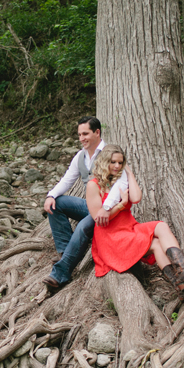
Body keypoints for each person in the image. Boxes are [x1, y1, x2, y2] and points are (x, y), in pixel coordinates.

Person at [86, 144, 184, 305]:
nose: (117, 166)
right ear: (105, 162)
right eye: (113, 162)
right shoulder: (94, 185)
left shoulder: (121, 180)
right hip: (111, 237)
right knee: (156, 243)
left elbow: (136, 198)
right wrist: (120, 205)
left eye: (120, 162)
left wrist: (130, 173)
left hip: (129, 228)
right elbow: (99, 220)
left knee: (161, 228)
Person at [43, 116, 127, 289]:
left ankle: (61, 273)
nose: (82, 138)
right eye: (80, 135)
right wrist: (50, 196)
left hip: (107, 210)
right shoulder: (80, 156)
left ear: (97, 132)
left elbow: (120, 183)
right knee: (56, 203)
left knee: (82, 226)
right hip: (89, 206)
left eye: (86, 134)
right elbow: (67, 180)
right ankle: (66, 252)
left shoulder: (110, 155)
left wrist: (106, 207)